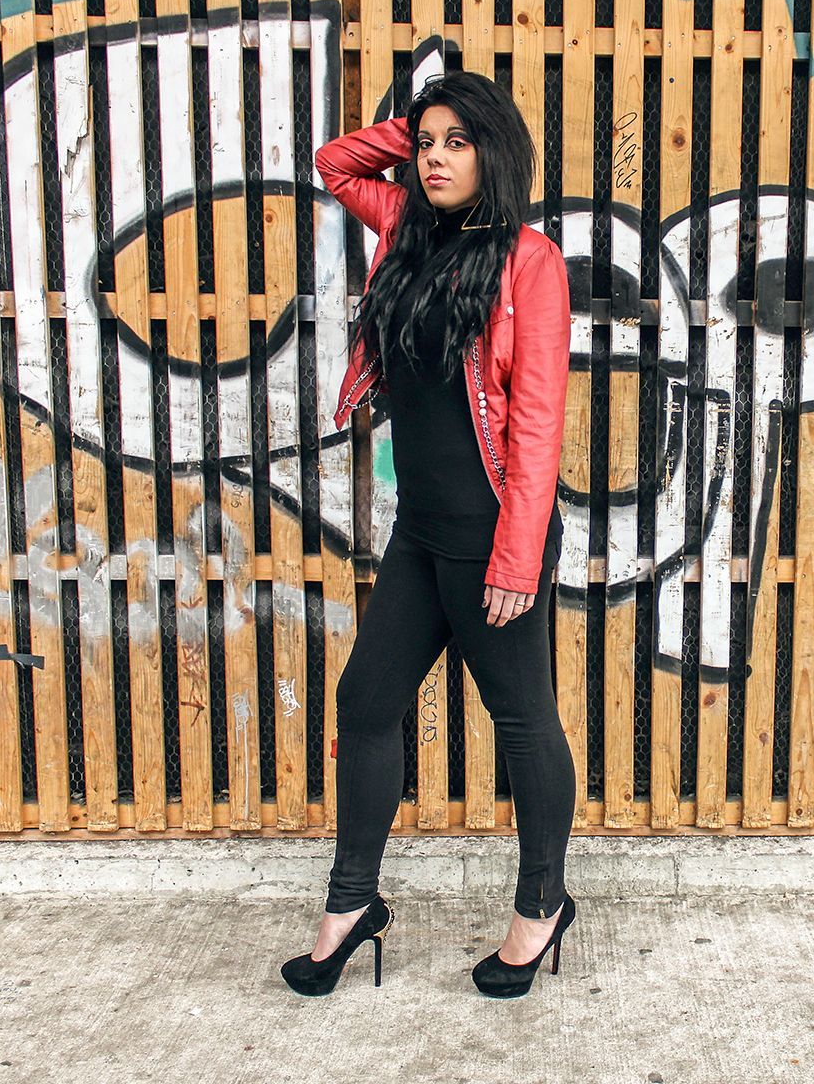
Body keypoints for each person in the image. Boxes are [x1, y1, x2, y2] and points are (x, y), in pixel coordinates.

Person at [280, 71, 576, 1000]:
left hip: (495, 531)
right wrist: (405, 128)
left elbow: (535, 425)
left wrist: (518, 557)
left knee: (523, 725)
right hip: (420, 533)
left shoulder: (531, 261)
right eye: (429, 142)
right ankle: (351, 904)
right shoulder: (404, 232)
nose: (437, 157)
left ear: (496, 152)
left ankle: (540, 906)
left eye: (459, 140)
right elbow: (334, 163)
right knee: (366, 703)